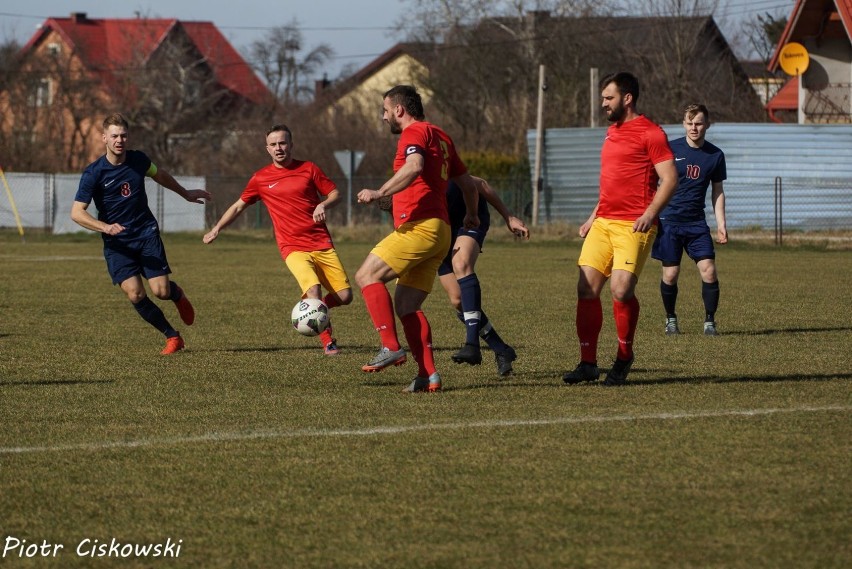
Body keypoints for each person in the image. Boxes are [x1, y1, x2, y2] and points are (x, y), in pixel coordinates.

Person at [356, 84, 479, 393]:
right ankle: (429, 375)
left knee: (366, 274)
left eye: (385, 111)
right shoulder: (441, 136)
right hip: (441, 231)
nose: (383, 117)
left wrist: (379, 192)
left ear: (399, 109)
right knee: (407, 306)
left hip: (420, 228)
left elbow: (414, 166)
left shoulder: (414, 133)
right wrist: (472, 215)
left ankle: (390, 346)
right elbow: (467, 183)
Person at [562, 72, 678, 386]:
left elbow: (670, 178)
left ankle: (624, 355)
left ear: (627, 98)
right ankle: (588, 363)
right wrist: (592, 216)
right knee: (586, 289)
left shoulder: (651, 132)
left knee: (621, 290)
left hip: (634, 225)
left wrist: (651, 212)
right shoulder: (611, 133)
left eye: (608, 98)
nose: (603, 104)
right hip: (603, 223)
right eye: (603, 98)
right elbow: (612, 185)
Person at [202, 124, 352, 355]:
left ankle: (308, 311)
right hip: (292, 247)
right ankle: (327, 341)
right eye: (273, 144)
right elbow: (239, 205)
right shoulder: (260, 178)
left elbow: (335, 193)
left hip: (321, 242)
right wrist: (217, 228)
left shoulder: (309, 168)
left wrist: (323, 204)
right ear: (267, 149)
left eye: (282, 143)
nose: (278, 148)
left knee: (345, 297)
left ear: (291, 145)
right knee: (314, 290)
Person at [71, 113, 210, 355]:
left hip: (145, 233)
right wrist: (105, 227)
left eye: (123, 135)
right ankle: (172, 337)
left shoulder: (139, 160)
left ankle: (177, 294)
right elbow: (76, 213)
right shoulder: (93, 173)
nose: (119, 140)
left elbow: (160, 175)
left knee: (161, 291)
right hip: (117, 243)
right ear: (104, 138)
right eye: (114, 135)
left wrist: (185, 193)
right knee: (135, 293)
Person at [438, 176, 530, 377]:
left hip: (470, 219)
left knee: (461, 263)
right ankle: (502, 350)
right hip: (440, 231)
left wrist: (508, 217)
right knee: (458, 300)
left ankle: (472, 345)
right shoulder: (409, 182)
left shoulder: (442, 167)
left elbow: (481, 185)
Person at [652, 104, 727, 336]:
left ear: (707, 125)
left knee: (709, 271)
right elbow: (653, 182)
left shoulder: (715, 155)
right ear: (684, 124)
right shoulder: (669, 149)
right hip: (668, 222)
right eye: (690, 123)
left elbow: (717, 191)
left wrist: (721, 224)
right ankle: (671, 319)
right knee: (671, 275)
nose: (694, 128)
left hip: (696, 223)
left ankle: (709, 322)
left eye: (699, 123)